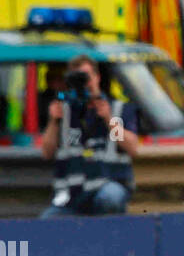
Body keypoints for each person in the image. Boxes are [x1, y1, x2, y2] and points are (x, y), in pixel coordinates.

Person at [39, 54, 139, 217]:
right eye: (77, 79)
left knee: (110, 198)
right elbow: (46, 152)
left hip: (108, 183)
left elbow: (133, 148)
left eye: (86, 77)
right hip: (73, 193)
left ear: (97, 77)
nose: (84, 84)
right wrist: (53, 121)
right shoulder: (64, 110)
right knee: (49, 219)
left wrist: (109, 119)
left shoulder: (120, 109)